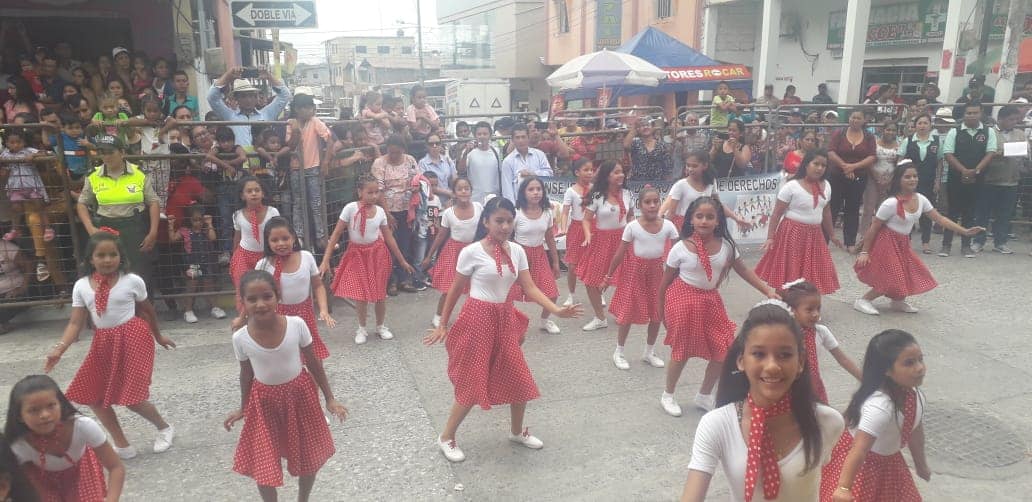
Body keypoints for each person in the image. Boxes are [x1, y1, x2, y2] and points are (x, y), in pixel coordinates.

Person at [423, 196, 582, 463]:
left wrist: (555, 310)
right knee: (473, 380)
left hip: (504, 319)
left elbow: (529, 287)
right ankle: (446, 436)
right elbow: (455, 290)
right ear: (486, 221)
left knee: (519, 377)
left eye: (509, 221)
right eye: (499, 221)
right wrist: (442, 324)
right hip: (477, 319)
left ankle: (517, 432)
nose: (505, 226)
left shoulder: (517, 251)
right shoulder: (471, 252)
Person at [681, 303, 845, 502]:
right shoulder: (718, 424)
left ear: (800, 362)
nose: (772, 366)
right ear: (741, 361)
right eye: (759, 354)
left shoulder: (827, 422)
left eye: (785, 355)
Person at [44, 230, 176, 460]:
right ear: (90, 259)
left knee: (132, 399)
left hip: (133, 338)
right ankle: (122, 444)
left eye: (113, 254)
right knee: (93, 396)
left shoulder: (131, 281)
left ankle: (165, 428)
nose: (107, 260)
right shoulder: (81, 286)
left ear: (121, 257)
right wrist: (60, 348)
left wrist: (159, 336)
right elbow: (75, 322)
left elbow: (148, 311)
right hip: (104, 342)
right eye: (101, 255)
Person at [224, 270, 347, 501]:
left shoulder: (296, 325)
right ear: (243, 303)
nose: (260, 304)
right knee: (263, 465)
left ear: (278, 296)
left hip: (300, 396)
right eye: (252, 299)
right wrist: (243, 407)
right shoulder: (240, 338)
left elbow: (313, 362)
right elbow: (246, 374)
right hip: (264, 403)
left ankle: (303, 499)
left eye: (267, 296)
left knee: (309, 458)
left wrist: (329, 398)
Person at [658, 196, 777, 416]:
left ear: (718, 221)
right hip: (683, 300)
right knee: (682, 351)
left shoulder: (727, 247)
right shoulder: (681, 248)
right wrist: (661, 313)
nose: (704, 221)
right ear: (691, 219)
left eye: (709, 217)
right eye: (699, 216)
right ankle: (668, 394)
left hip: (710, 300)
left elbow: (744, 270)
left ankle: (704, 394)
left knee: (723, 350)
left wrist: (767, 290)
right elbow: (664, 283)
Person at [853, 161, 984, 315]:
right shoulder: (890, 203)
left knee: (908, 272)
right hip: (886, 243)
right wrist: (864, 252)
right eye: (907, 177)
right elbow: (874, 227)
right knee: (892, 275)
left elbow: (940, 219)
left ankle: (897, 301)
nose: (912, 179)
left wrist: (965, 231)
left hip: (903, 242)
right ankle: (863, 300)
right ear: (898, 180)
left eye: (915, 176)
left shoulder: (921, 199)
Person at [820, 330, 930, 501]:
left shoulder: (915, 395)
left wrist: (920, 464)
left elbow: (915, 430)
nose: (920, 368)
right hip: (861, 467)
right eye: (909, 363)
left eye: (920, 359)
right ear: (887, 370)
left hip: (890, 464)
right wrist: (844, 488)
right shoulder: (880, 407)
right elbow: (859, 449)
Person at [320, 176, 414, 344]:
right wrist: (325, 260)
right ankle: (362, 328)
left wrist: (402, 260)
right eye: (369, 192)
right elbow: (336, 234)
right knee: (360, 295)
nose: (374, 196)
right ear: (359, 192)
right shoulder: (350, 208)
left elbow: (389, 238)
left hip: (377, 255)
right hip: (356, 255)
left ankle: (380, 326)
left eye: (377, 192)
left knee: (380, 295)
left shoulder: (380, 212)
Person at [5, 374, 124, 501]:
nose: (45, 415)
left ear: (61, 405)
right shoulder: (18, 446)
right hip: (39, 483)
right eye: (33, 410)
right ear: (19, 416)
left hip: (82, 475)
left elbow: (116, 467)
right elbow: (16, 486)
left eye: (51, 405)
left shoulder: (83, 426)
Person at [604, 186, 678, 370]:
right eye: (647, 202)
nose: (652, 205)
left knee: (657, 314)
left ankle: (649, 352)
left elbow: (678, 252)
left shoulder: (668, 226)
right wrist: (608, 276)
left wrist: (678, 278)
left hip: (657, 274)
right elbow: (620, 253)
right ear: (639, 205)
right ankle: (619, 352)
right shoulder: (632, 227)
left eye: (656, 202)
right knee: (628, 313)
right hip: (635, 274)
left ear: (660, 203)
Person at [75, 133, 160, 290]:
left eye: (110, 152)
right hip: (105, 228)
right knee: (107, 273)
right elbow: (82, 204)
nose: (106, 157)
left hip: (134, 228)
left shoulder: (139, 173)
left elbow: (153, 202)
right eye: (102, 152)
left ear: (122, 152)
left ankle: (142, 305)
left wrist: (153, 232)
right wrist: (90, 228)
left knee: (139, 274)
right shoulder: (93, 175)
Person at [756, 150, 843, 294]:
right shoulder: (791, 186)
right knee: (789, 273)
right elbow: (776, 214)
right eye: (816, 164)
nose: (820, 168)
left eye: (823, 165)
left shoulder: (827, 185)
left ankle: (804, 303)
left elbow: (826, 212)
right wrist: (770, 238)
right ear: (806, 165)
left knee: (813, 272)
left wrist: (832, 235)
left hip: (815, 235)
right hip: (792, 233)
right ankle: (780, 302)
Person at [251, 217, 333, 359]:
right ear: (267, 242)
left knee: (312, 353)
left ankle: (315, 373)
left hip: (305, 313)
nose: (281, 243)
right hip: (276, 316)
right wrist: (244, 318)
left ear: (293, 238)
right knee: (284, 353)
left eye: (285, 238)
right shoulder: (262, 265)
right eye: (274, 240)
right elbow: (255, 295)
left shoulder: (306, 257)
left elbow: (318, 285)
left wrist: (324, 310)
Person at [779, 279, 862, 403]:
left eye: (818, 309)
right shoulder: (783, 335)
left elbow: (843, 359)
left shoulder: (821, 331)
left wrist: (865, 380)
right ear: (792, 310)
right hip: (789, 389)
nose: (815, 314)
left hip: (814, 388)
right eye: (809, 310)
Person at [576, 160, 633, 331]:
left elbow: (630, 216)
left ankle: (624, 312)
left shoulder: (627, 194)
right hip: (602, 242)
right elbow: (586, 220)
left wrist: (635, 231)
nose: (621, 175)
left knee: (627, 280)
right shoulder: (597, 196)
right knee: (591, 281)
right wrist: (588, 235)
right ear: (607, 176)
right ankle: (600, 318)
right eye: (616, 172)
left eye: (622, 172)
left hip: (624, 240)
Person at [423, 178, 482, 328]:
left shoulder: (479, 208)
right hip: (454, 253)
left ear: (471, 191)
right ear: (454, 193)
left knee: (476, 287)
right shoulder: (449, 213)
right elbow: (441, 235)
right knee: (449, 288)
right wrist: (429, 256)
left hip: (474, 251)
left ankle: (473, 316)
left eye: (467, 188)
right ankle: (439, 315)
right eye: (460, 189)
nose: (464, 191)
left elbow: (486, 229)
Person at [939, 102, 995, 258]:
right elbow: (948, 153)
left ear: (981, 113)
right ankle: (946, 245)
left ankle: (966, 246)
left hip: (978, 178)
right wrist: (963, 171)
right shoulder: (955, 131)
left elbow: (990, 153)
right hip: (955, 178)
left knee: (970, 212)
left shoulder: (988, 131)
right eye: (968, 113)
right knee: (952, 211)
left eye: (975, 112)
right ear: (964, 114)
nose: (971, 115)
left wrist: (975, 171)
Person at [508, 176, 562, 334]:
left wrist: (556, 262)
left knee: (552, 293)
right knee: (508, 292)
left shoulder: (547, 213)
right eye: (531, 189)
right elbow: (507, 237)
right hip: (518, 255)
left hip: (539, 255)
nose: (536, 192)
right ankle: (508, 321)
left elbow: (550, 238)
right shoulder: (516, 213)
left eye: (539, 189)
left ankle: (545, 321)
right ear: (523, 192)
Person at [1, 129, 53, 282]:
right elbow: (3, 168)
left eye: (18, 142)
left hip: (31, 185)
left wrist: (34, 157)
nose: (15, 145)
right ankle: (16, 228)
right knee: (16, 208)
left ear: (23, 142)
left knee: (39, 206)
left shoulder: (28, 151)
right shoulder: (5, 154)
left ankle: (48, 228)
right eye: (12, 142)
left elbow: (46, 153)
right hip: (16, 186)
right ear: (6, 143)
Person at [370, 134, 419, 294]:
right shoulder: (379, 163)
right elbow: (379, 190)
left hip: (407, 209)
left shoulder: (410, 160)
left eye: (398, 152)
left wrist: (416, 188)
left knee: (405, 243)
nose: (394, 155)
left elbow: (416, 179)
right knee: (389, 246)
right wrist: (387, 214)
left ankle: (405, 279)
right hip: (388, 210)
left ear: (403, 150)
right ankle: (391, 281)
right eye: (391, 152)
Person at [285, 93, 333, 251]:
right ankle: (298, 235)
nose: (308, 110)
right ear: (296, 109)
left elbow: (329, 140)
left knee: (316, 202)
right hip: (296, 168)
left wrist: (325, 162)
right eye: (304, 108)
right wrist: (296, 131)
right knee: (298, 202)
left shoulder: (315, 122)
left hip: (313, 167)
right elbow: (290, 146)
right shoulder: (291, 123)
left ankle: (320, 235)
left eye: (310, 107)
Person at [973, 105, 1024, 254]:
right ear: (1000, 119)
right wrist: (1001, 153)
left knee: (1005, 214)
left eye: (1016, 119)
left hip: (1012, 180)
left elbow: (1025, 151)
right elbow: (983, 153)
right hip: (990, 179)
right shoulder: (989, 133)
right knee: (983, 213)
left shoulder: (1020, 134)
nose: (1014, 122)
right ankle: (978, 240)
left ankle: (1000, 242)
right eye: (1011, 119)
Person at [659, 150, 752, 231]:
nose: (690, 169)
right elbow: (671, 212)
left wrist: (736, 218)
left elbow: (718, 206)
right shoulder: (680, 185)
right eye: (688, 165)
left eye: (694, 166)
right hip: (683, 227)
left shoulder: (711, 182)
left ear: (705, 166)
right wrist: (663, 230)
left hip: (703, 226)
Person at [828, 109, 877, 253]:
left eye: (858, 118)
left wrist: (853, 167)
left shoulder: (869, 137)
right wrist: (845, 167)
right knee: (832, 208)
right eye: (853, 117)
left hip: (859, 176)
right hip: (837, 175)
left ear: (864, 120)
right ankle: (824, 241)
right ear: (849, 118)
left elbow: (872, 156)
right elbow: (831, 152)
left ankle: (850, 242)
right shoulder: (839, 133)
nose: (855, 120)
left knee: (853, 209)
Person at [206, 67, 291, 147]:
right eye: (243, 96)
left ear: (256, 98)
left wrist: (269, 76)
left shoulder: (267, 114)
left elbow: (285, 95)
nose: (248, 100)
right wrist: (228, 75)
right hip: (239, 157)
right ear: (237, 99)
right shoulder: (229, 116)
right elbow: (211, 97)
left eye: (251, 96)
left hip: (263, 157)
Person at [167, 206, 223, 323]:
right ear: (189, 220)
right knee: (192, 286)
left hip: (206, 262)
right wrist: (171, 226)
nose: (198, 223)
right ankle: (188, 310)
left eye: (200, 220)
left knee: (209, 285)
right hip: (193, 263)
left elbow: (213, 238)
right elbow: (173, 239)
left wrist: (209, 223)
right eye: (195, 220)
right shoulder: (185, 231)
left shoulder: (206, 230)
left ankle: (214, 307)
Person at [897, 114, 940, 254]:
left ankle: (926, 242)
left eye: (925, 123)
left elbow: (940, 163)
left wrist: (937, 181)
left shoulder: (936, 141)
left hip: (928, 181)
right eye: (920, 123)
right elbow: (900, 161)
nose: (922, 126)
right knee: (908, 211)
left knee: (927, 212)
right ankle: (907, 242)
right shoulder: (908, 141)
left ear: (930, 125)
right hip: (909, 182)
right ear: (915, 125)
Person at [558, 158, 593, 307]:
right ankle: (571, 294)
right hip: (576, 229)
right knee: (572, 265)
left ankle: (598, 293)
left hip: (593, 228)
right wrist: (563, 228)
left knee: (594, 263)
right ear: (577, 172)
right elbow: (565, 212)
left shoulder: (596, 189)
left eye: (591, 170)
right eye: (586, 170)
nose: (590, 173)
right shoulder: (571, 191)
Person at [860, 121, 899, 240]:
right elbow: (869, 161)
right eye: (888, 129)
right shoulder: (875, 143)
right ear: (883, 130)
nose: (890, 132)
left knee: (884, 210)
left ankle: (879, 238)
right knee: (868, 209)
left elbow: (898, 164)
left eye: (893, 130)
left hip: (890, 181)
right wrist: (877, 177)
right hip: (872, 179)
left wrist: (890, 179)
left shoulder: (899, 145)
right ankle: (863, 237)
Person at [500, 123, 552, 203]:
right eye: (517, 137)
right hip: (520, 205)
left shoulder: (540, 155)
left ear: (528, 138)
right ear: (512, 140)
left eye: (523, 137)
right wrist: (513, 208)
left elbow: (550, 175)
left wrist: (533, 173)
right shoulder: (508, 161)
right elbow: (507, 190)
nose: (521, 140)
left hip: (540, 202)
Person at [456, 121, 503, 203]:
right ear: (475, 136)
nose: (482, 136)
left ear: (490, 135)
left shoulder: (496, 151)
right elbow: (460, 170)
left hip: (494, 196)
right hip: (475, 198)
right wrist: (465, 153)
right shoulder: (469, 152)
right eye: (479, 134)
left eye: (485, 134)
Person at [418, 133, 457, 206]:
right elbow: (426, 185)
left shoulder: (448, 160)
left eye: (437, 143)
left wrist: (453, 196)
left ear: (441, 144)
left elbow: (455, 179)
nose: (434, 146)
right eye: (431, 144)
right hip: (432, 203)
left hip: (450, 202)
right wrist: (449, 193)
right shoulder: (422, 163)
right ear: (426, 146)